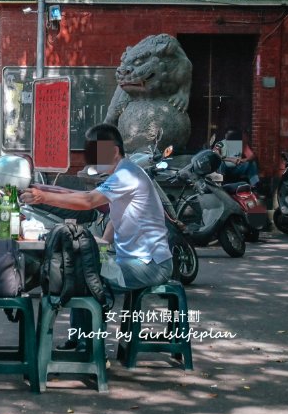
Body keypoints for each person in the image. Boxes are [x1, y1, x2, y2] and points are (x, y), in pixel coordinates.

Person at [20, 123, 173, 349]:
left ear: (113, 151)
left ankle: (90, 347)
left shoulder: (126, 175)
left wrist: (43, 197)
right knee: (81, 269)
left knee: (86, 277)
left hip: (151, 264)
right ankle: (80, 339)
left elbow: (88, 201)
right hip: (132, 259)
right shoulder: (123, 173)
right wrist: (103, 243)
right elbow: (107, 210)